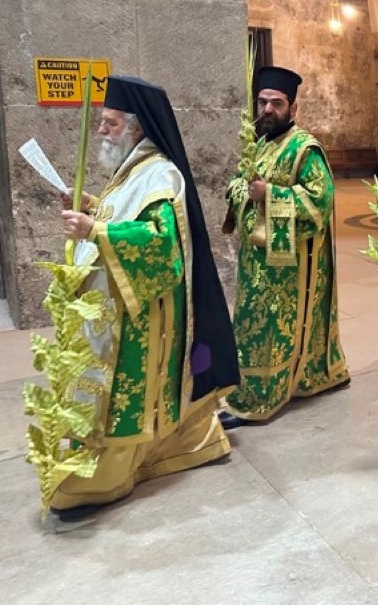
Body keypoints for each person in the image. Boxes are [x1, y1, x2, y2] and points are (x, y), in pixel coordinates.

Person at [54, 76, 239, 516]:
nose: (102, 131)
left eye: (111, 124)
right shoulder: (132, 171)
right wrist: (94, 207)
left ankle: (118, 466)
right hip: (114, 305)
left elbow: (161, 246)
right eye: (101, 123)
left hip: (142, 315)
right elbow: (124, 215)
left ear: (137, 129)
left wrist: (95, 230)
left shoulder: (159, 173)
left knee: (127, 391)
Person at [221, 65, 350, 427]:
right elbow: (236, 184)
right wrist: (241, 192)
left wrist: (271, 194)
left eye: (276, 103)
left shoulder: (304, 149)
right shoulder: (258, 144)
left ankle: (265, 394)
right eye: (262, 102)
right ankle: (253, 384)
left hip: (290, 265)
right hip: (256, 259)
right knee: (249, 321)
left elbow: (319, 202)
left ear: (293, 109)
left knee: (274, 328)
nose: (267, 110)